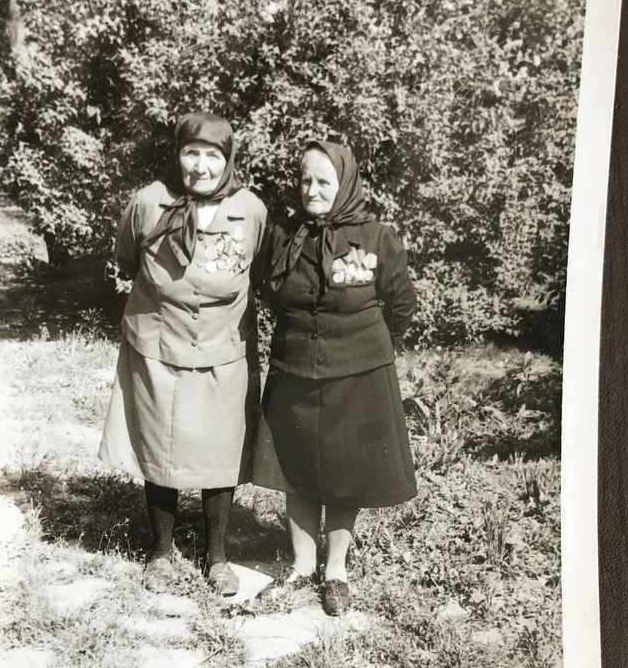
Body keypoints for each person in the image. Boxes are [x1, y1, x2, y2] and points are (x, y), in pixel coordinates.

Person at [98, 111, 267, 597]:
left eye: (212, 155)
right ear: (177, 155)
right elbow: (127, 257)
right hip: (158, 343)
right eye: (191, 152)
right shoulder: (149, 203)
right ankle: (162, 551)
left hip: (223, 346)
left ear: (228, 160)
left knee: (220, 449)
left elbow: (260, 266)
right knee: (161, 445)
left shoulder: (250, 210)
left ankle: (217, 556)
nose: (200, 165)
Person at [251, 139, 417, 615]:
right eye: (305, 180)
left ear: (344, 183)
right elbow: (268, 289)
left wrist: (364, 344)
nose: (312, 190)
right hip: (294, 368)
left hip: (358, 374)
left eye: (324, 181)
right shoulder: (286, 235)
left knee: (346, 472)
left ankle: (336, 569)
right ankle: (303, 565)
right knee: (296, 466)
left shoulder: (377, 236)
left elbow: (401, 304)